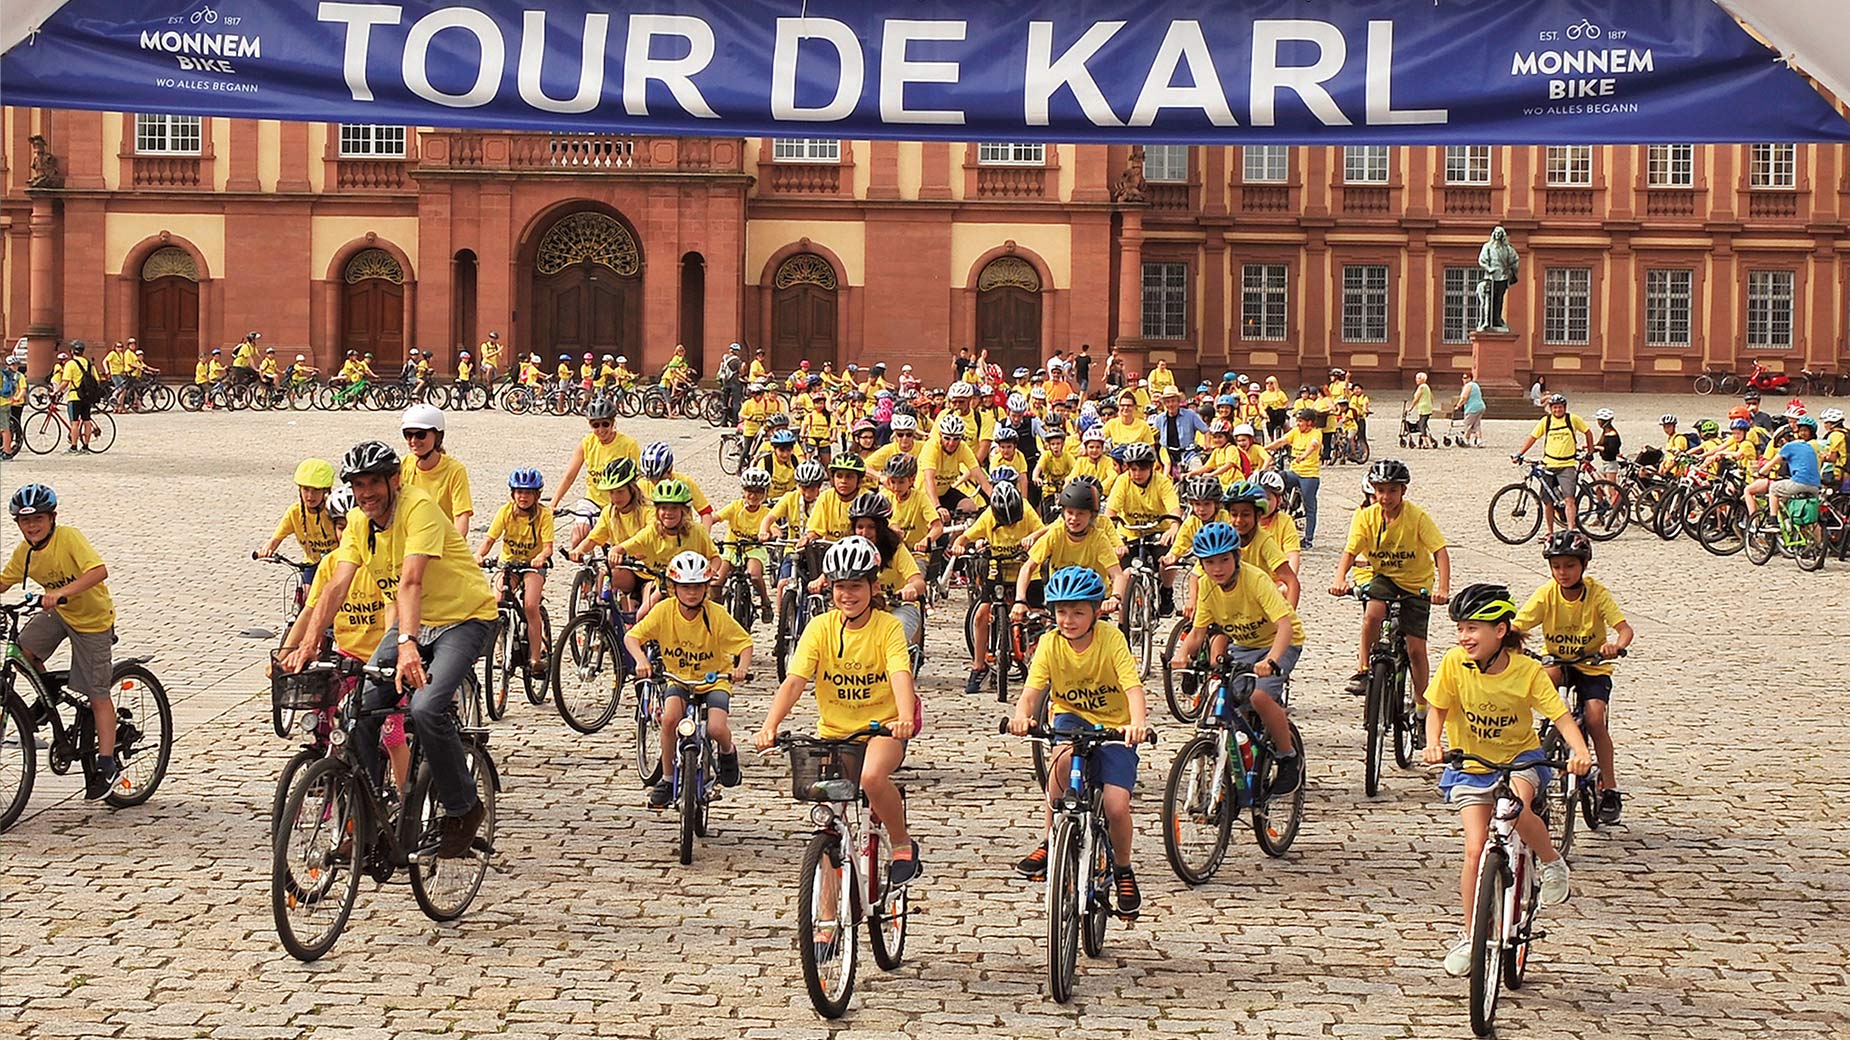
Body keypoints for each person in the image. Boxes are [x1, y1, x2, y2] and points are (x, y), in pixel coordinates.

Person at [289, 441, 498, 858]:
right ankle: (368, 824)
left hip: (464, 617)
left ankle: (463, 806)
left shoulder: (418, 508)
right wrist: (307, 643)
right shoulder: (357, 522)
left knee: (425, 708)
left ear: (394, 481)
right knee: (357, 711)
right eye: (358, 484)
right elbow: (336, 583)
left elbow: (411, 582)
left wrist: (407, 645)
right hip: (412, 622)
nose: (366, 493)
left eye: (374, 483)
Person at [1423, 584, 1592, 977]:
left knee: (1515, 809)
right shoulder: (1454, 663)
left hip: (1520, 758)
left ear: (1500, 631)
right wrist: (1433, 743)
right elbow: (1437, 708)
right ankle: (1470, 935)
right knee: (1474, 849)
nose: (1465, 637)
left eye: (1474, 628)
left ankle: (1551, 861)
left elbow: (1562, 718)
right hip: (1471, 763)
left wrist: (1580, 751)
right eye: (1461, 628)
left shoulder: (1528, 670)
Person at [754, 537, 922, 888]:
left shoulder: (887, 627)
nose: (848, 595)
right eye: (840, 587)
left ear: (873, 586)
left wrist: (904, 717)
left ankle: (902, 843)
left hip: (882, 729)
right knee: (830, 831)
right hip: (834, 733)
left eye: (856, 586)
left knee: (871, 778)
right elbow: (794, 682)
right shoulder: (819, 627)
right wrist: (769, 725)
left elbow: (899, 674)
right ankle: (826, 925)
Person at [1007, 566, 1151, 914]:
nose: (1068, 620)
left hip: (1114, 726)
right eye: (1061, 612)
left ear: (1095, 611)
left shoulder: (1111, 639)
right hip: (1071, 716)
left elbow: (1133, 688)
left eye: (1077, 612)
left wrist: (1138, 723)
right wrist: (1021, 716)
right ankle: (1050, 838)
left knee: (1116, 804)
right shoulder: (1049, 643)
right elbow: (1031, 692)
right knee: (1059, 763)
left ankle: (1123, 868)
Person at [1, 484, 122, 798]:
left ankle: (107, 764)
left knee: (97, 693)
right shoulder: (25, 552)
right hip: (60, 615)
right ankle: (48, 692)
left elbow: (99, 571)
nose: (32, 526)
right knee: (23, 647)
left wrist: (61, 593)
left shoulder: (68, 537)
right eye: (25, 521)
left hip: (92, 619)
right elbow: (4, 581)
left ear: (52, 517)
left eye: (38, 518)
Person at [1168, 522, 1302, 793]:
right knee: (1224, 694)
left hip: (1280, 642)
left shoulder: (1255, 580)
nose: (1218, 568)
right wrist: (1181, 656)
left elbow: (1285, 625)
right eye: (1210, 562)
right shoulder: (1207, 586)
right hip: (1244, 644)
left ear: (1237, 557)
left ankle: (1289, 758)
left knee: (1260, 696)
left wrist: (1272, 661)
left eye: (1224, 560)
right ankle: (1238, 756)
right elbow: (1197, 633)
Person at [1514, 531, 1634, 824]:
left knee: (1594, 718)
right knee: (1537, 686)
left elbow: (1624, 629)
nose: (1562, 572)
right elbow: (1519, 624)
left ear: (1583, 565)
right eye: (1556, 566)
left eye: (1569, 565)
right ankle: (1541, 739)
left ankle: (1610, 787)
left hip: (1592, 665)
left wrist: (1615, 646)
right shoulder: (1546, 594)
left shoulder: (1597, 593)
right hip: (1557, 660)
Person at [626, 551, 753, 808]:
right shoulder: (664, 611)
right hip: (679, 678)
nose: (691, 593)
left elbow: (744, 644)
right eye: (685, 587)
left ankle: (728, 753)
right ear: (674, 588)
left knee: (716, 728)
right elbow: (633, 637)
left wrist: (741, 667)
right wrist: (641, 660)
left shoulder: (716, 614)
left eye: (697, 587)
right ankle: (667, 777)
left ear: (706, 588)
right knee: (670, 719)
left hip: (715, 679)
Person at [1331, 459, 1450, 701]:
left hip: (1416, 583)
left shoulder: (1417, 517)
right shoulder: (1366, 517)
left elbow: (1440, 551)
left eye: (1393, 490)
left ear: (1403, 491)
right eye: (1381, 490)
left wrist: (1443, 588)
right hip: (1385, 577)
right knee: (1372, 614)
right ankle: (1363, 669)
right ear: (1373, 491)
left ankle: (1420, 703)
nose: (1386, 497)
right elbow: (1350, 551)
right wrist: (1339, 578)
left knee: (1416, 649)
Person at [474, 468, 555, 675]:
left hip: (532, 566)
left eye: (528, 493)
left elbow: (548, 547)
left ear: (536, 494)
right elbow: (490, 539)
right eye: (519, 492)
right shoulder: (505, 512)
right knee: (497, 601)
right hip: (509, 563)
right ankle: (500, 644)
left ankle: (536, 657)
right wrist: (479, 556)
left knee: (530, 606)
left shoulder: (543, 514)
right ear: (512, 493)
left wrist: (541, 557)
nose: (523, 497)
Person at [550, 398, 643, 548]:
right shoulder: (586, 443)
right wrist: (553, 504)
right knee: (578, 536)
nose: (601, 429)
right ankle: (585, 567)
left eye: (605, 424)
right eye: (595, 425)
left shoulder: (629, 445)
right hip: (593, 501)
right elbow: (569, 476)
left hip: (619, 502)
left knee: (620, 546)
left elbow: (639, 479)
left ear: (613, 423)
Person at [1511, 393, 1595, 537]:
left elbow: (1588, 433)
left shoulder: (1572, 419)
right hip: (1549, 465)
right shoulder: (1546, 421)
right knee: (1547, 502)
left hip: (1567, 465)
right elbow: (1533, 438)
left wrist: (1590, 452)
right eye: (1555, 408)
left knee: (1569, 499)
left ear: (1565, 408)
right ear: (1550, 409)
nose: (1557, 410)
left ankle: (1571, 531)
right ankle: (1550, 532)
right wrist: (1520, 453)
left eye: (1560, 407)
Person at [258, 458, 342, 580]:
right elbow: (274, 540)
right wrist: (267, 550)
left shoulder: (334, 510)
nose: (310, 496)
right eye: (306, 489)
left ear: (325, 490)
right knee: (308, 593)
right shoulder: (295, 513)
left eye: (316, 490)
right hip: (312, 564)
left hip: (337, 565)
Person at [399, 405, 474, 538]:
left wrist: (455, 546)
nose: (413, 441)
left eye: (420, 435)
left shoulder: (455, 470)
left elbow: (461, 516)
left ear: (438, 437)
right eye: (408, 435)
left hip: (441, 544)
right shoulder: (401, 465)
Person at [1264, 408, 1325, 549]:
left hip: (1309, 475)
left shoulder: (1316, 433)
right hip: (1294, 472)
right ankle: (1284, 502)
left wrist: (1304, 456)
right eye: (1297, 421)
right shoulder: (1295, 432)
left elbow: (1313, 445)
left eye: (1301, 421)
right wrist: (1264, 448)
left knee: (1310, 506)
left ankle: (1308, 539)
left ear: (1309, 422)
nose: (1298, 424)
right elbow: (1281, 441)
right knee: (1276, 478)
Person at [1748, 416, 1823, 518]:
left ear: (1783, 440)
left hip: (1800, 482)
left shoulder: (1789, 447)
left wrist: (1760, 473)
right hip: (1815, 485)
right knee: (1811, 520)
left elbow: (1771, 464)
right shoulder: (1809, 445)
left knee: (1774, 489)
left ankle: (1772, 520)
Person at [54, 340, 102, 453]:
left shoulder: (70, 364)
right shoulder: (88, 363)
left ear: (71, 351)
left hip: (75, 396)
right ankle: (85, 446)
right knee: (87, 421)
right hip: (87, 397)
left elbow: (65, 382)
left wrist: (55, 392)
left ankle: (73, 447)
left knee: (74, 423)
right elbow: (97, 379)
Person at [1456, 373, 1486, 448]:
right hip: (1480, 406)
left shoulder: (1468, 385)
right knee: (1477, 425)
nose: (1464, 379)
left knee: (1468, 425)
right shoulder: (1475, 385)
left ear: (1470, 378)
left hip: (1472, 408)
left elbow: (1464, 397)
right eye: (1463, 378)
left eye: (1466, 378)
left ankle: (1466, 440)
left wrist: (1458, 405)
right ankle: (1479, 440)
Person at [1409, 372, 1437, 450]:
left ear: (1422, 379)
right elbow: (1431, 397)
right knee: (1423, 424)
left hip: (1423, 408)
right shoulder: (1427, 387)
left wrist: (1411, 408)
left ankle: (1426, 442)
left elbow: (1416, 399)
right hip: (1427, 407)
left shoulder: (1422, 387)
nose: (1416, 380)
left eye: (1418, 378)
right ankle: (1425, 440)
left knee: (1421, 425)